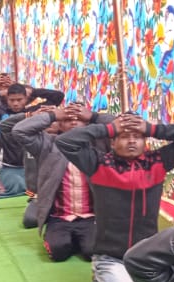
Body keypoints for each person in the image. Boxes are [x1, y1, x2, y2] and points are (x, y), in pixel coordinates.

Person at [55, 113, 174, 282]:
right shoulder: (97, 164)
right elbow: (65, 141)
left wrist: (153, 129)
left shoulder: (158, 162)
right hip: (110, 255)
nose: (132, 141)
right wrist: (108, 128)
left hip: (146, 255)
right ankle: (100, 281)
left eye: (138, 136)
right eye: (125, 136)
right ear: (113, 141)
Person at [6, 104, 114, 259]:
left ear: (88, 125)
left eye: (79, 119)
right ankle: (66, 238)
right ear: (60, 125)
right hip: (60, 217)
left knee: (92, 252)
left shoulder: (99, 144)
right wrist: (53, 115)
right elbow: (19, 131)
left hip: (90, 216)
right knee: (58, 252)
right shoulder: (48, 145)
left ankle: (82, 239)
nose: (74, 122)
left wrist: (93, 116)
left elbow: (120, 125)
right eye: (68, 119)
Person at [0, 80, 64, 199]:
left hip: (33, 164)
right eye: (12, 100)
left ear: (26, 99)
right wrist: (1, 92)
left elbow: (58, 96)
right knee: (15, 186)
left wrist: (34, 91)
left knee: (42, 185)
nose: (15, 103)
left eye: (19, 100)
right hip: (10, 164)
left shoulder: (34, 112)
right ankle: (5, 178)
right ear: (7, 99)